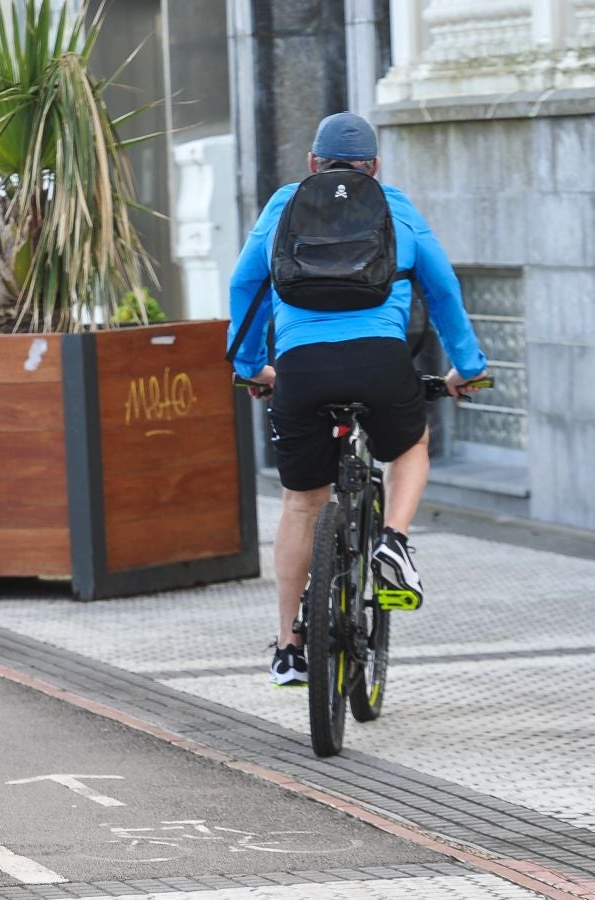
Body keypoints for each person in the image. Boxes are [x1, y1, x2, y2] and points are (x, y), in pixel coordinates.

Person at [227, 112, 488, 687]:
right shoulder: (395, 205)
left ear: (312, 163)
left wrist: (251, 366)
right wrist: (467, 368)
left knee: (302, 503)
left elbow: (246, 284)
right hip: (381, 364)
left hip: (301, 370)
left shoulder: (284, 204)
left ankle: (289, 648)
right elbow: (443, 288)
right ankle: (393, 540)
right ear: (375, 166)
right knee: (410, 443)